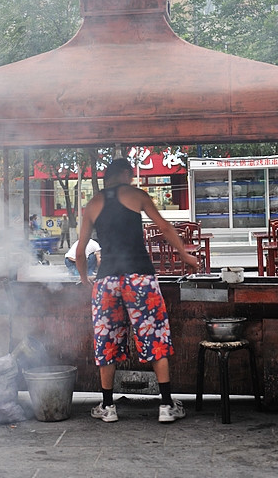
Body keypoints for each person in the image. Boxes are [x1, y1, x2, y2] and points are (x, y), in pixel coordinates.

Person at [76, 158, 197, 424]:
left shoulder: (93, 203)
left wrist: (86, 279)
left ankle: (107, 406)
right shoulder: (137, 195)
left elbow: (81, 249)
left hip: (107, 281)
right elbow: (164, 227)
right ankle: (166, 405)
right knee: (154, 334)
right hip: (139, 277)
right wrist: (185, 255)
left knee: (107, 340)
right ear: (125, 174)